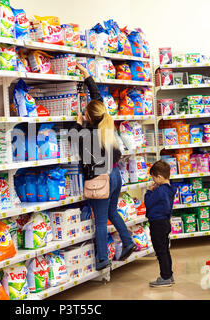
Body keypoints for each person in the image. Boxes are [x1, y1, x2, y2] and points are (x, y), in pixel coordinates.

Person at [71, 63, 136, 271]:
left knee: (100, 221)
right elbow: (97, 99)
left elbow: (77, 145)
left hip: (100, 179)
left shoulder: (87, 133)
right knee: (112, 211)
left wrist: (78, 125)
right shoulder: (105, 121)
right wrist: (87, 76)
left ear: (88, 117)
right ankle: (127, 241)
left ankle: (101, 260)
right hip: (115, 174)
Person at [144, 160, 177, 287]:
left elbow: (147, 203)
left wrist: (149, 191)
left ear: (159, 176)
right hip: (165, 222)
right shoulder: (169, 189)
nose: (153, 181)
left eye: (153, 178)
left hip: (157, 223)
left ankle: (165, 277)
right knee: (165, 250)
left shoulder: (159, 191)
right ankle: (168, 274)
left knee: (160, 251)